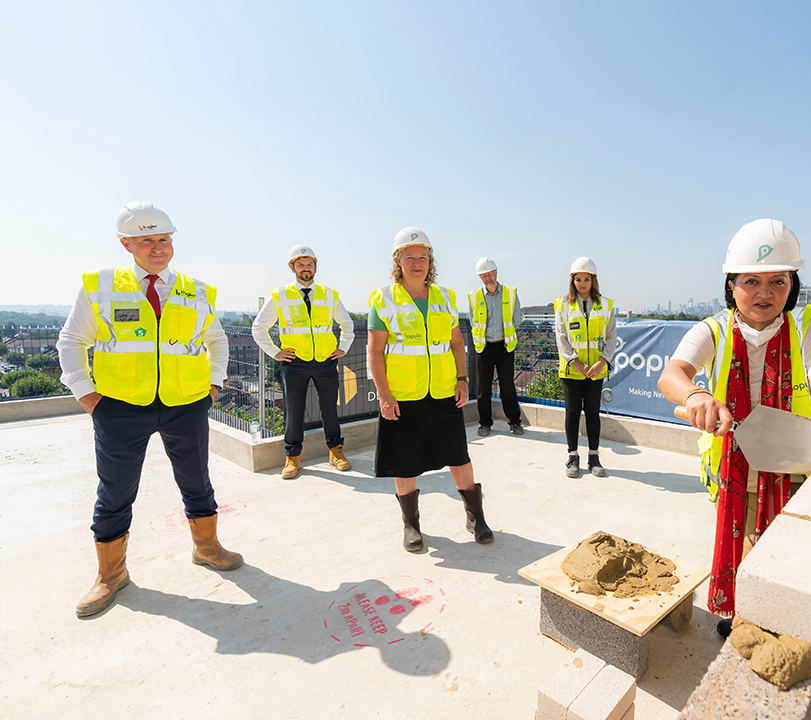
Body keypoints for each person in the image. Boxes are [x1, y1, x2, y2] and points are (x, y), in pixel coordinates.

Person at [656, 219, 811, 637]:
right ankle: (746, 621)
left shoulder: (810, 323)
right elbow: (673, 373)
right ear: (731, 286)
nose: (765, 293)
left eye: (778, 281)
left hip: (792, 463)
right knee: (747, 550)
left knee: (787, 551)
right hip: (733, 466)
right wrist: (694, 396)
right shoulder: (713, 330)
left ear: (792, 283)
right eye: (751, 281)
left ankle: (770, 619)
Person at [57, 201, 242, 618]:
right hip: (120, 408)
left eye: (164, 239)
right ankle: (111, 574)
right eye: (147, 240)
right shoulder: (101, 285)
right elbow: (70, 343)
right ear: (127, 244)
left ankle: (207, 547)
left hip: (186, 405)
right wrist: (88, 397)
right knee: (116, 492)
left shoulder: (196, 291)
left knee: (197, 481)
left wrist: (213, 384)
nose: (158, 248)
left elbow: (217, 340)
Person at [367, 227, 494, 552]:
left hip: (442, 392)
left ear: (430, 261)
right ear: (398, 261)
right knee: (405, 462)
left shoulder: (446, 297)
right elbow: (374, 352)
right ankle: (411, 525)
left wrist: (462, 379)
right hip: (403, 396)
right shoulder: (382, 300)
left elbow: (456, 342)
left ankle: (475, 517)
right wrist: (384, 395)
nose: (417, 263)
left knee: (459, 457)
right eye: (409, 257)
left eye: (423, 257)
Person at [252, 244, 355, 479]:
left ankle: (336, 453)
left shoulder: (329, 294)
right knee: (293, 410)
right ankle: (292, 458)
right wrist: (274, 352)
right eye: (301, 264)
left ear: (316, 267)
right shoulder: (280, 295)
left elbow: (347, 323)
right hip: (294, 362)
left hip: (325, 360)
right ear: (292, 267)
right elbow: (259, 327)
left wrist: (343, 348)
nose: (306, 268)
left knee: (330, 408)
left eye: (309, 264)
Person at [554, 257, 616, 479]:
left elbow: (611, 337)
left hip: (595, 370)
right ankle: (572, 456)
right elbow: (561, 338)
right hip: (572, 371)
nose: (582, 283)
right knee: (572, 413)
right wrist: (576, 363)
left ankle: (593, 457)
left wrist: (602, 362)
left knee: (592, 413)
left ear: (593, 280)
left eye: (586, 279)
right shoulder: (562, 305)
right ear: (572, 281)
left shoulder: (606, 305)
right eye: (578, 279)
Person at [468, 257, 524, 437]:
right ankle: (485, 423)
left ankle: (515, 422)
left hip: (504, 346)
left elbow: (516, 319)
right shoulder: (474, 296)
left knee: (507, 386)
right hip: (483, 347)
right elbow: (472, 320)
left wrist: (505, 337)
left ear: (496, 273)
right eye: (483, 276)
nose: (487, 278)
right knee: (483, 387)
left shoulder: (510, 292)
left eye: (489, 274)